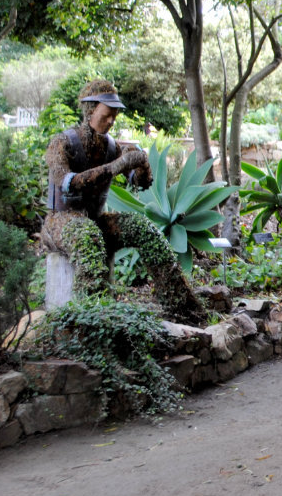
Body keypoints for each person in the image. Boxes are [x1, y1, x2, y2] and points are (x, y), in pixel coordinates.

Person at [41, 79, 207, 323]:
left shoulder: (111, 146)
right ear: (90, 110)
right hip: (60, 221)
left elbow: (141, 183)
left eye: (114, 117)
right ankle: (93, 322)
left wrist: (142, 165)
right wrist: (117, 165)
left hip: (95, 221)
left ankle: (182, 308)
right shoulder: (62, 143)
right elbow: (67, 183)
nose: (110, 121)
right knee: (87, 239)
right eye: (107, 115)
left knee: (144, 229)